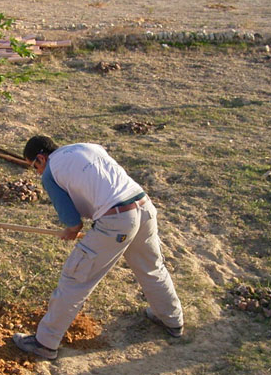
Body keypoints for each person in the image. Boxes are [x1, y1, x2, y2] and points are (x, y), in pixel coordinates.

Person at [13, 136, 186, 360]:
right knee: (152, 267)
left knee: (75, 278)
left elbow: (72, 220)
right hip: (144, 207)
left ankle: (44, 342)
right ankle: (171, 319)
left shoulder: (50, 172)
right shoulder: (85, 147)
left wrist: (72, 230)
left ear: (40, 157)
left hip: (117, 220)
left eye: (33, 166)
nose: (36, 172)